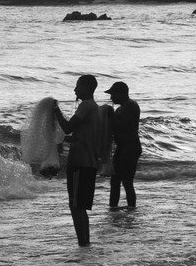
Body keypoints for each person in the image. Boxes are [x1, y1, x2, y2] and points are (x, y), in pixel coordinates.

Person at [53, 75, 102, 247]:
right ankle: (84, 245)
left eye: (77, 86)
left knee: (76, 206)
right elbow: (81, 136)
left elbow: (67, 128)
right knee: (79, 206)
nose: (75, 90)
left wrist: (55, 110)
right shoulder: (94, 108)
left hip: (80, 163)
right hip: (87, 162)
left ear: (87, 88)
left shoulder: (86, 105)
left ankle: (83, 245)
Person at [105, 81, 142, 208]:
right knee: (115, 180)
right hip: (123, 147)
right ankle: (113, 207)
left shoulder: (130, 106)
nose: (111, 97)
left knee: (126, 181)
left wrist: (110, 116)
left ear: (121, 93)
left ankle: (131, 208)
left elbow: (123, 126)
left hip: (130, 147)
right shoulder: (123, 107)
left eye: (113, 94)